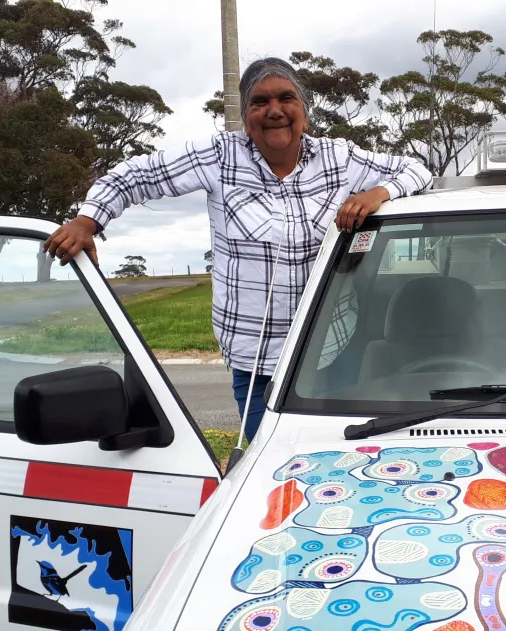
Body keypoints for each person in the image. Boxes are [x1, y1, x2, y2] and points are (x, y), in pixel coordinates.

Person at [43, 57, 433, 444]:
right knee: (270, 458)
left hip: (330, 348)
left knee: (332, 454)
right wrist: (87, 222)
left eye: (286, 98)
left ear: (305, 111)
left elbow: (416, 168)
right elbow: (134, 176)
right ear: (246, 115)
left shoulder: (338, 158)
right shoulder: (219, 156)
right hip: (256, 360)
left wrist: (378, 192)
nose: (274, 111)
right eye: (259, 102)